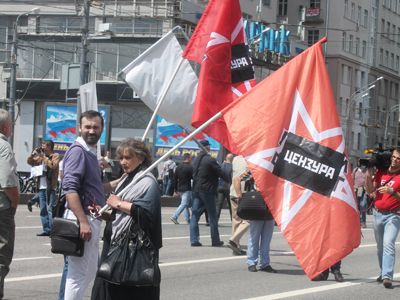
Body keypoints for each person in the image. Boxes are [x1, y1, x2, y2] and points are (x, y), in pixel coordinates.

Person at [91, 138, 162, 300]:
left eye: (128, 158)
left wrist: (118, 203)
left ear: (141, 158)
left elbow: (147, 215)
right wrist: (103, 213)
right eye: (121, 157)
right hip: (115, 244)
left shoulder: (147, 182)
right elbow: (120, 215)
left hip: (133, 250)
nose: (123, 162)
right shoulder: (126, 178)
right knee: (105, 288)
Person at [61, 110, 119, 300]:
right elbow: (70, 189)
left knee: (89, 272)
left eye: (96, 127)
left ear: (101, 129)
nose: (92, 130)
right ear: (79, 128)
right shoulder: (78, 151)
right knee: (77, 276)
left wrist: (121, 180)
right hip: (82, 220)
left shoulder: (89, 152)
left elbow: (95, 188)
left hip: (91, 220)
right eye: (88, 126)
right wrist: (83, 221)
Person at [365, 148, 400, 288]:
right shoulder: (381, 172)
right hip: (377, 213)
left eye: (398, 159)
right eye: (394, 157)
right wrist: (368, 172)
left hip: (394, 215)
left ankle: (387, 276)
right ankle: (383, 271)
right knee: (380, 247)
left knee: (388, 243)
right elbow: (370, 191)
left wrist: (393, 192)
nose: (395, 160)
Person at [190, 140, 229, 247]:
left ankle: (194, 240)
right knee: (212, 216)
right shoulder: (210, 160)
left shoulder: (195, 160)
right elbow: (220, 173)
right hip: (208, 190)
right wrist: (229, 178)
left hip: (196, 190)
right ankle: (215, 240)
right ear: (207, 148)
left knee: (194, 215)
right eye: (209, 146)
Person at [0, 109, 20, 300]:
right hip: (2, 209)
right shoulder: (3, 146)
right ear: (5, 126)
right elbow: (7, 182)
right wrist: (15, 202)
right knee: (1, 257)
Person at [27, 140, 60, 235]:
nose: (42, 147)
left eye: (44, 145)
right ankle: (46, 230)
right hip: (41, 186)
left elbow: (53, 166)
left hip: (50, 187)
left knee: (50, 210)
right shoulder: (40, 157)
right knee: (43, 210)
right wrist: (32, 154)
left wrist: (43, 158)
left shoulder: (55, 156)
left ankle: (53, 230)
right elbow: (29, 162)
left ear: (49, 147)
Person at [247, 186, 276, 273]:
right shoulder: (256, 173)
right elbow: (240, 178)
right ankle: (251, 262)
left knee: (266, 240)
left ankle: (265, 264)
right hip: (257, 207)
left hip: (271, 208)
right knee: (254, 238)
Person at [227, 155, 250, 255]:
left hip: (232, 192)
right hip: (243, 193)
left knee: (236, 220)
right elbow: (247, 176)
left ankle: (236, 246)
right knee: (249, 219)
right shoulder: (250, 160)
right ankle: (234, 239)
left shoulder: (236, 159)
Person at [170, 153, 192, 225]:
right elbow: (193, 178)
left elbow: (175, 179)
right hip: (187, 188)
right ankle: (174, 216)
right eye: (190, 158)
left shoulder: (178, 167)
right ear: (188, 158)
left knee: (185, 204)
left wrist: (175, 189)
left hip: (180, 188)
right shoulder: (190, 167)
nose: (191, 159)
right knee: (184, 204)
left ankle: (188, 219)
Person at [216, 153, 233, 221]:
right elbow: (232, 178)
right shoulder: (232, 167)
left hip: (220, 187)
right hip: (229, 188)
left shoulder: (221, 165)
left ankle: (216, 219)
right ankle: (233, 220)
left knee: (219, 204)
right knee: (231, 205)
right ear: (232, 159)